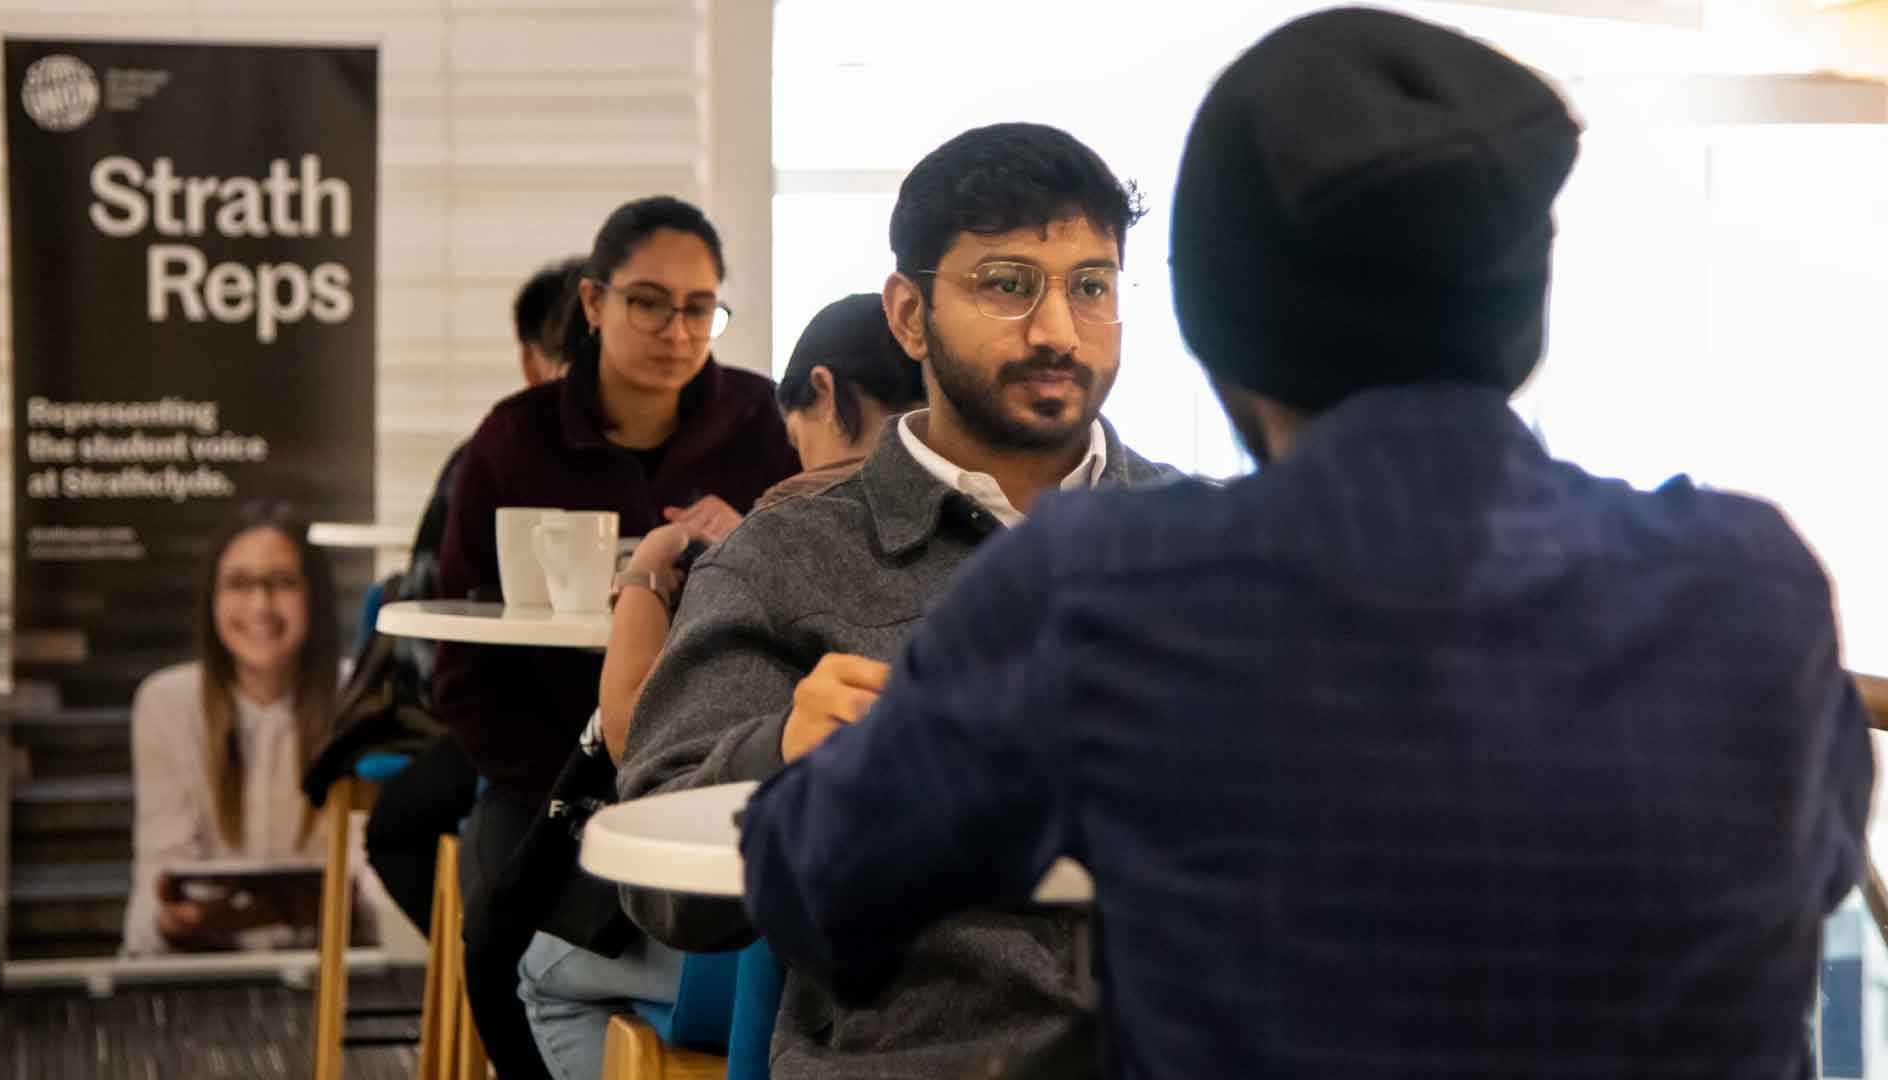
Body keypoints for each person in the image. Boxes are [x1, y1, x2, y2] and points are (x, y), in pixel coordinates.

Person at [735, 10, 1876, 1079]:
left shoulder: (1107, 590)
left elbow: (811, 877)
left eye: (1089, 284)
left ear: (1210, 318)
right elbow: (1812, 868)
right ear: (1519, 317)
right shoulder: (1754, 588)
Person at [616, 123, 1173, 1078]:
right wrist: (785, 747)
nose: (1057, 329)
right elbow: (664, 884)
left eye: (1091, 285)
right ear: (910, 316)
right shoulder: (788, 555)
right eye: (1007, 284)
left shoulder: (1207, 542)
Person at [511, 292, 924, 1080]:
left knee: (541, 971)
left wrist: (648, 570)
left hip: (756, 948)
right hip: (915, 936)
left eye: (796, 431)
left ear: (826, 392)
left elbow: (631, 729)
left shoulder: (791, 522)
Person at [435, 195, 800, 1078]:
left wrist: (748, 532)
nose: (677, 330)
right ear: (594, 304)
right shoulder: (513, 440)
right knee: (499, 933)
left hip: (711, 759)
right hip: (548, 761)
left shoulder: (762, 423)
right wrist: (573, 783)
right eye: (648, 302)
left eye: (699, 307)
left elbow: (809, 602)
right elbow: (460, 667)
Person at [364, 256, 584, 939]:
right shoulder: (503, 453)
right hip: (549, 717)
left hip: (545, 723)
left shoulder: (492, 452)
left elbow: (432, 639)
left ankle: (494, 969)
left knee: (403, 829)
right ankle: (508, 969)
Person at [123, 500, 341, 955]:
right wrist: (173, 919)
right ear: (212, 600)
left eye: (282, 583)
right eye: (239, 584)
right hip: (198, 972)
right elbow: (151, 904)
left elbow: (383, 900)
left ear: (314, 594)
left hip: (331, 966)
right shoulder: (167, 702)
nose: (261, 605)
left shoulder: (355, 699)